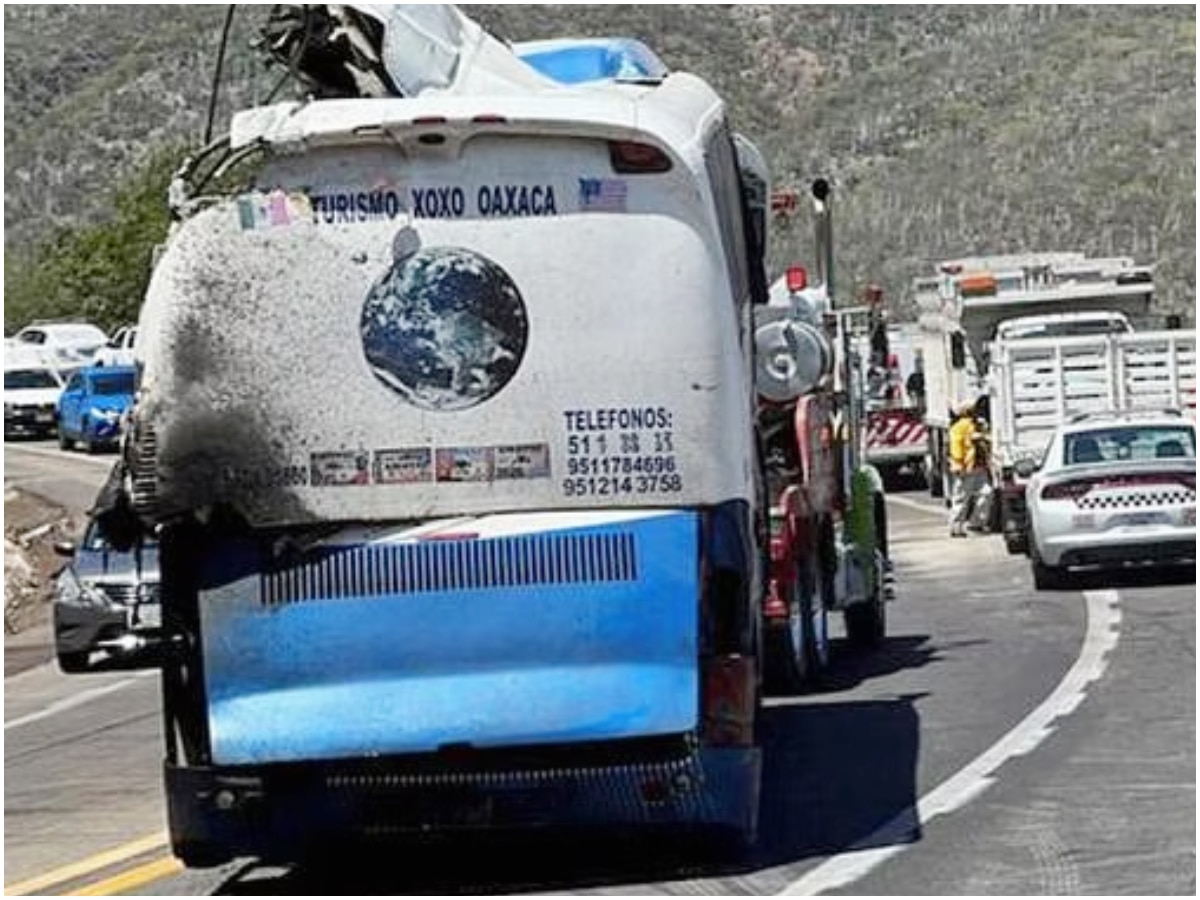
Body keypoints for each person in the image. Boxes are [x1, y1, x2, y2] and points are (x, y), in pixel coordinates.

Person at [947, 400, 991, 537]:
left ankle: (976, 523)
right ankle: (956, 527)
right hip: (967, 467)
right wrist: (959, 464)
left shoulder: (976, 425)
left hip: (978, 466)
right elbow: (956, 448)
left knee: (985, 493)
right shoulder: (960, 427)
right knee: (962, 498)